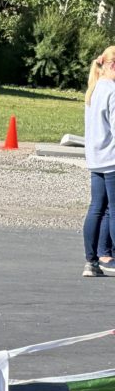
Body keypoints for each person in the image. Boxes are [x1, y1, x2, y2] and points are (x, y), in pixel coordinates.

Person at [82, 46, 115, 277]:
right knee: (113, 210)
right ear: (112, 65)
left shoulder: (93, 89)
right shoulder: (112, 91)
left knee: (97, 208)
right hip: (112, 158)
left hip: (96, 158)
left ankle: (93, 260)